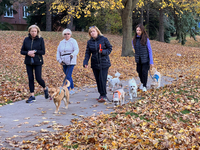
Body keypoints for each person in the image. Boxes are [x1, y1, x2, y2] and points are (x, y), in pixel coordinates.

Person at [83, 26, 112, 102]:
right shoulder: (89, 42)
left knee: (102, 79)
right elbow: (87, 53)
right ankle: (101, 94)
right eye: (91, 32)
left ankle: (104, 95)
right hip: (95, 63)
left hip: (104, 62)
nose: (92, 33)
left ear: (97, 32)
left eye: (93, 31)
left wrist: (103, 52)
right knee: (98, 80)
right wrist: (85, 62)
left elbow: (110, 48)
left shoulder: (104, 39)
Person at [21, 25, 49, 103]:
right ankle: (32, 96)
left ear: (37, 32)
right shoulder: (26, 39)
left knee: (38, 78)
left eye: (35, 31)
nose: (33, 33)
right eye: (32, 31)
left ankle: (45, 88)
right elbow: (22, 51)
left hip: (38, 62)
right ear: (29, 32)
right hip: (28, 62)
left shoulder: (40, 39)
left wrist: (35, 51)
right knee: (30, 78)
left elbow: (43, 52)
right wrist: (28, 53)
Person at [56, 29, 79, 95]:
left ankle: (67, 90)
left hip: (71, 60)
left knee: (68, 75)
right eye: (65, 34)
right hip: (63, 60)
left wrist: (72, 55)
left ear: (70, 34)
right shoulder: (61, 42)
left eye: (68, 34)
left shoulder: (73, 41)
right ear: (63, 35)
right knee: (67, 75)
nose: (67, 35)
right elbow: (58, 52)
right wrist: (59, 60)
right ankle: (72, 88)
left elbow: (76, 50)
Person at [132, 24, 154, 92]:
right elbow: (134, 49)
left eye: (139, 30)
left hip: (145, 59)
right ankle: (142, 82)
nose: (138, 31)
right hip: (138, 59)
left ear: (142, 31)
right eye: (137, 30)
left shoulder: (146, 39)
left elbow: (150, 50)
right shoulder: (134, 40)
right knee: (139, 71)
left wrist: (151, 62)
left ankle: (144, 85)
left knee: (144, 72)